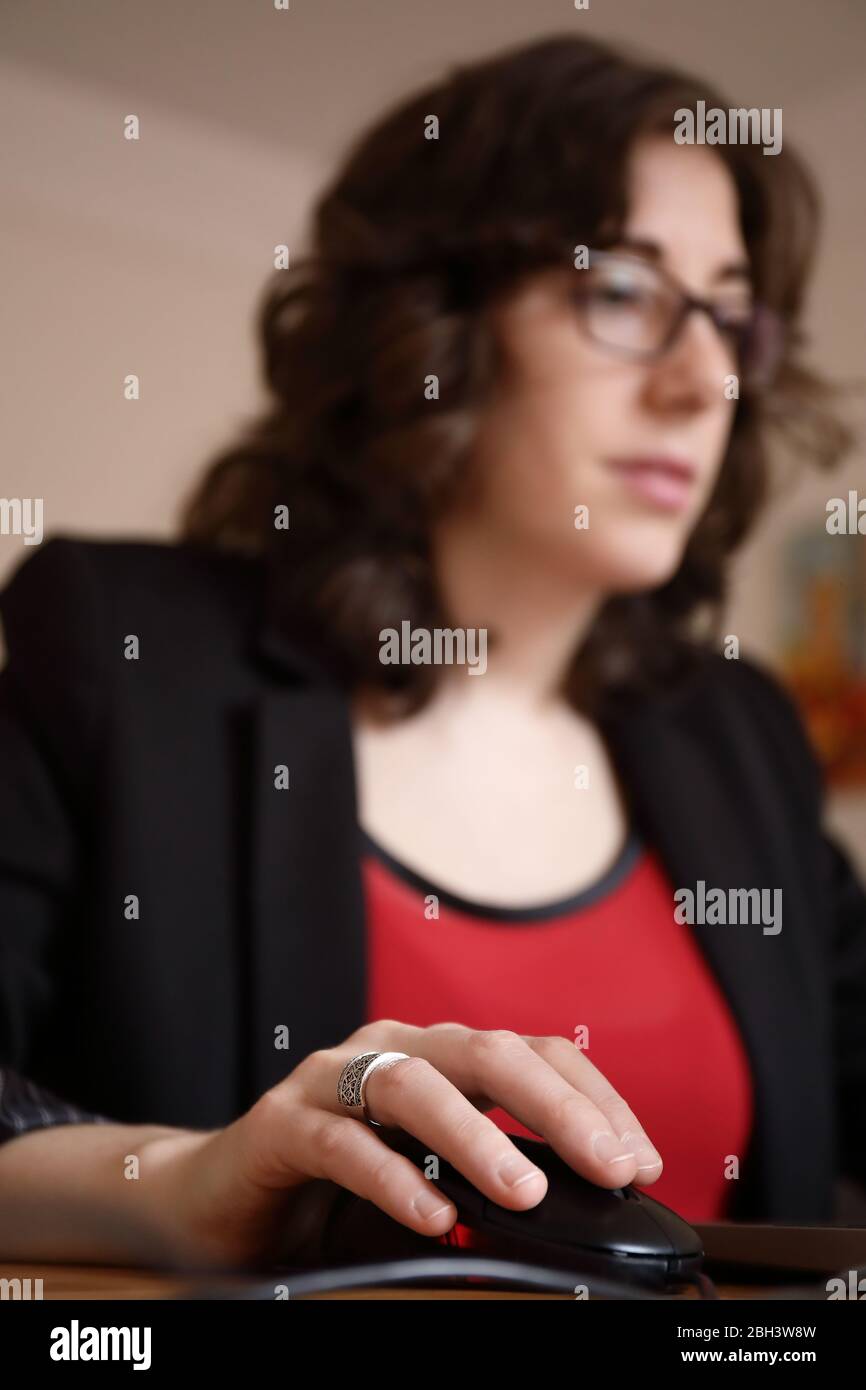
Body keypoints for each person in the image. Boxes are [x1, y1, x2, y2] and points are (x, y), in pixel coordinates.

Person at [0, 34, 864, 1271]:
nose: (703, 380)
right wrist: (177, 1179)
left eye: (729, 318)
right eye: (622, 291)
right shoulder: (125, 652)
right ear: (432, 326)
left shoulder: (740, 731)